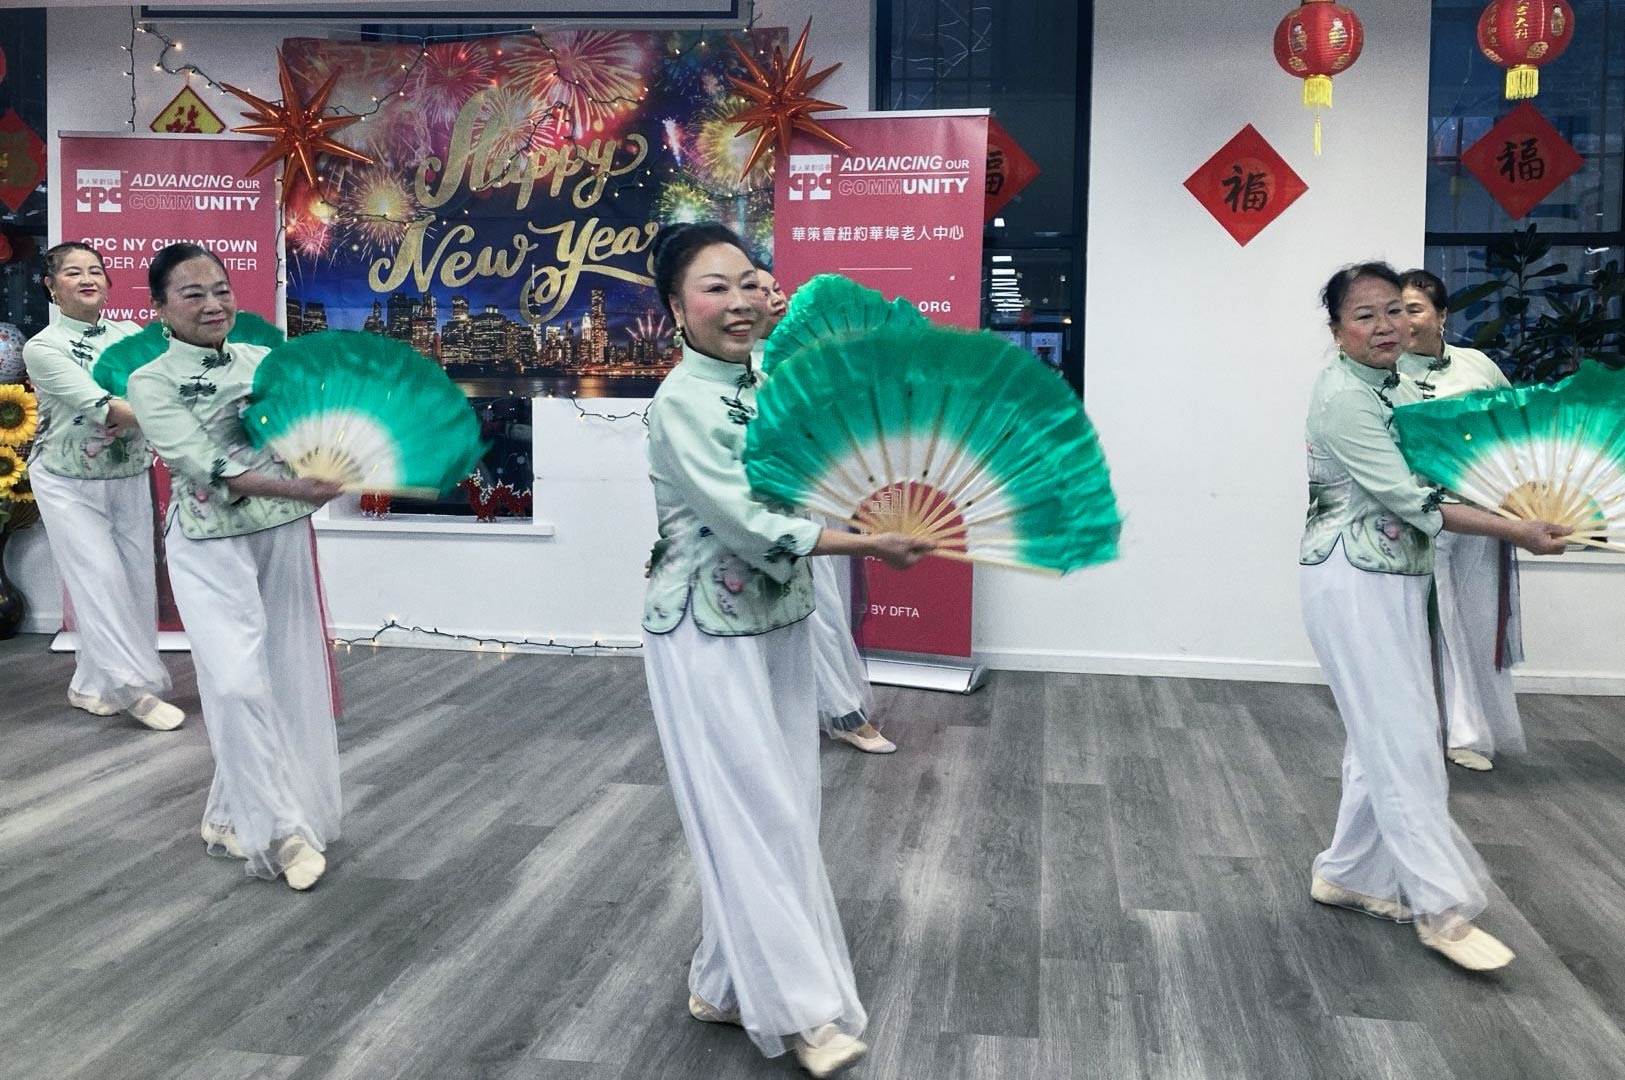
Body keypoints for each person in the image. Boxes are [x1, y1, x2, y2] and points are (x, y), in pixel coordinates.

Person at [642, 223, 934, 1076]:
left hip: (776, 621)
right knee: (754, 810)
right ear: (675, 308)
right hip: (702, 631)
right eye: (711, 288)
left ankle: (723, 983)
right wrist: (870, 544)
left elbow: (812, 473)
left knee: (785, 806)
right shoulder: (681, 403)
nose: (736, 303)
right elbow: (751, 522)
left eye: (746, 284)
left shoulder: (770, 380)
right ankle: (803, 1008)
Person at [1300, 262, 1566, 971]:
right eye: (1365, 315)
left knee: (1383, 735)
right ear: (1335, 332)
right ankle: (1438, 905)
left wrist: (1517, 497)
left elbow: (1445, 470)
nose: (1386, 325)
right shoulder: (1344, 401)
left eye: (1394, 310)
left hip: (1393, 577)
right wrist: (1515, 531)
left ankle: (1347, 873)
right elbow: (1410, 501)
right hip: (1354, 583)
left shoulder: (1394, 385)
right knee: (1405, 741)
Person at [124, 243, 343, 891]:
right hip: (207, 538)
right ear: (159, 309)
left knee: (278, 675)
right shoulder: (150, 380)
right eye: (191, 293)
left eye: (220, 288)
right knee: (235, 683)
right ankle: (277, 829)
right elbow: (200, 462)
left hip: (279, 534)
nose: (213, 303)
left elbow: (310, 424)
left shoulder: (263, 360)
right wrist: (293, 488)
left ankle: (227, 814)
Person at [22, 242, 184, 731]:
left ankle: (91, 686)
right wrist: (168, 419)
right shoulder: (43, 347)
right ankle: (134, 690)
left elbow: (158, 389)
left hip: (127, 472)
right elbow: (102, 405)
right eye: (73, 272)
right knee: (99, 579)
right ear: (51, 286)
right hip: (66, 480)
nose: (88, 278)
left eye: (96, 270)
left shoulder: (130, 335)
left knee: (134, 582)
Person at [752, 262, 893, 754]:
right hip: (776, 505)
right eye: (758, 289)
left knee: (825, 604)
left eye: (776, 287)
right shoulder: (745, 369)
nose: (773, 296)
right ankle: (843, 711)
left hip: (818, 495)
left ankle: (822, 707)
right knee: (815, 610)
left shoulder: (801, 355)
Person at [1398, 269, 1521, 772]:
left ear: (1442, 315)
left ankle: (1474, 726)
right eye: (1394, 310)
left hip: (1485, 511)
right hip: (1426, 515)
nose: (1403, 321)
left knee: (1474, 621)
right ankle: (1449, 731)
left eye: (1414, 309)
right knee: (1434, 618)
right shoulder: (1389, 374)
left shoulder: (1476, 366)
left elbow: (1516, 424)